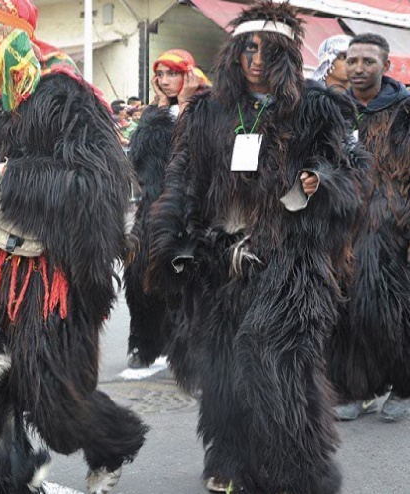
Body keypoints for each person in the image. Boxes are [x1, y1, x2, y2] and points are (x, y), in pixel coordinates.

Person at [0, 1, 147, 492]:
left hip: (45, 273)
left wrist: (8, 174)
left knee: (56, 404)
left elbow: (96, 184)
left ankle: (110, 446)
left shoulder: (62, 91)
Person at [145, 3, 366, 492]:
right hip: (221, 261)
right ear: (234, 53)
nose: (257, 59)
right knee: (222, 370)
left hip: (291, 261)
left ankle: (300, 472)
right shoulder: (207, 112)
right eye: (248, 47)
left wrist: (320, 180)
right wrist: (177, 238)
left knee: (280, 366)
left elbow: (350, 170)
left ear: (287, 53)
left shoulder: (316, 108)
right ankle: (229, 460)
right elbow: (183, 179)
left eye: (268, 50)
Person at [327, 33, 410, 423]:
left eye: (368, 61)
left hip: (390, 223)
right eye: (353, 60)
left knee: (386, 308)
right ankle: (354, 388)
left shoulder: (403, 111)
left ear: (386, 66)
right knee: (341, 310)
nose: (359, 68)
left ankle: (403, 384)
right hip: (339, 223)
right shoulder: (334, 110)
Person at [124, 49, 210, 374]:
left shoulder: (205, 108)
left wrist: (186, 106)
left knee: (186, 284)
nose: (164, 80)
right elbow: (138, 157)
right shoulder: (152, 114)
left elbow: (197, 153)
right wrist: (160, 109)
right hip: (150, 210)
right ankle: (144, 343)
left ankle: (190, 351)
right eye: (159, 75)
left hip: (189, 210)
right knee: (138, 279)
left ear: (187, 74)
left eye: (171, 73)